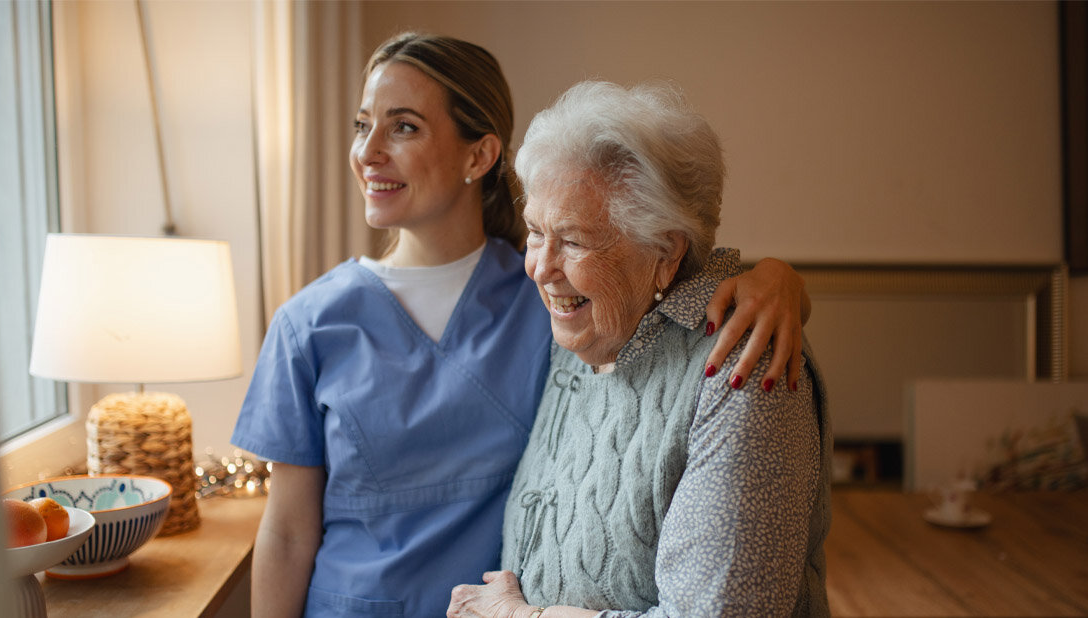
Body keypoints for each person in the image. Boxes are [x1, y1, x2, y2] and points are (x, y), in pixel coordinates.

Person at [232, 33, 812, 618]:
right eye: (362, 125)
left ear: (479, 155)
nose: (367, 152)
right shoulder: (311, 323)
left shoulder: (552, 305)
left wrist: (776, 277)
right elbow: (284, 534)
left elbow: (668, 295)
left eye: (404, 125)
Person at [447, 81, 830, 617]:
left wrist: (520, 616)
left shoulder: (742, 368)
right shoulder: (588, 328)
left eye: (574, 240)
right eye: (535, 231)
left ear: (666, 252)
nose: (540, 265)